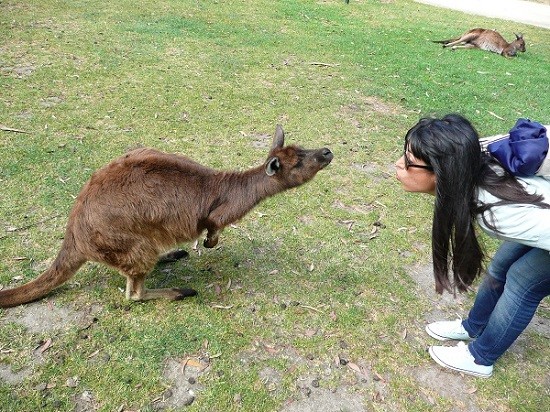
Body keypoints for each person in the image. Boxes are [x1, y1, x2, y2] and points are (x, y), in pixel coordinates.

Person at [395, 113, 550, 378]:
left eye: (409, 162)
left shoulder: (497, 213)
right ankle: (473, 326)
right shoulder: (473, 155)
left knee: (522, 281)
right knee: (501, 267)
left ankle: (481, 359)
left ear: (441, 173)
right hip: (538, 213)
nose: (398, 165)